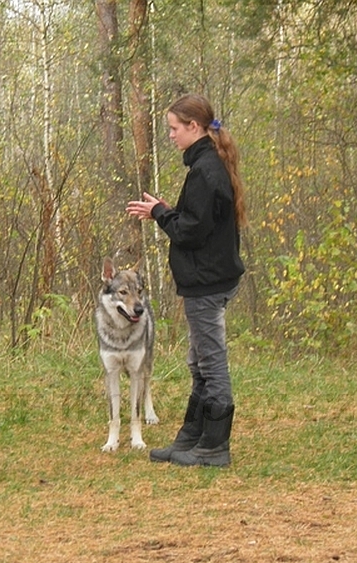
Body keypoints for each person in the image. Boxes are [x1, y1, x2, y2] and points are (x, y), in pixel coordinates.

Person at [126, 93, 246, 467]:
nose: (171, 136)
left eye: (174, 129)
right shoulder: (207, 167)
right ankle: (192, 436)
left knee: (211, 363)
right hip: (208, 278)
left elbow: (191, 232)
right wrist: (163, 211)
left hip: (207, 282)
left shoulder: (206, 171)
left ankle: (213, 446)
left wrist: (162, 212)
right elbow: (200, 221)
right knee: (199, 361)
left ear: (194, 127)